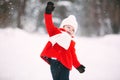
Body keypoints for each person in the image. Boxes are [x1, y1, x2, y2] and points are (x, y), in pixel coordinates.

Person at [40, 1, 85, 80]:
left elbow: (73, 56)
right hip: (54, 63)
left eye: (72, 30)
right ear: (63, 26)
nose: (70, 30)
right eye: (68, 27)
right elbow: (49, 24)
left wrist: (78, 66)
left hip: (65, 65)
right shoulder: (56, 33)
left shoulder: (71, 42)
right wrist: (48, 13)